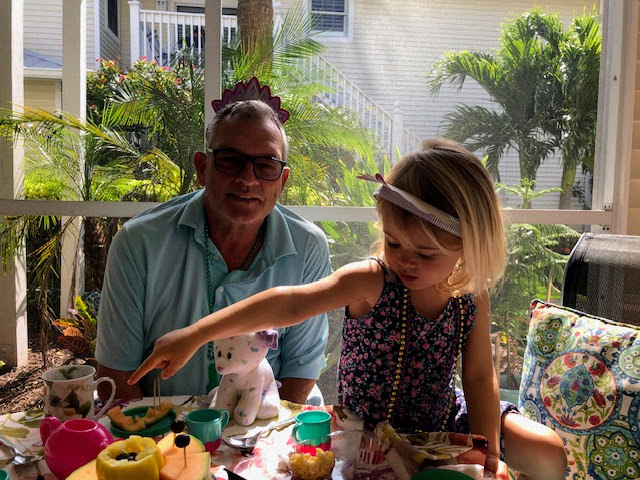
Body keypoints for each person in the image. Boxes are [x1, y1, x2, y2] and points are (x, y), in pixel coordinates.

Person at [129, 138, 567, 479]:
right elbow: (288, 303)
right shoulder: (372, 280)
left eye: (427, 253)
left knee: (550, 455)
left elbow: (477, 375)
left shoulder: (469, 297)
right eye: (394, 242)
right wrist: (196, 333)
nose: (406, 260)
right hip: (367, 435)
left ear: (467, 246)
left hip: (441, 425)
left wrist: (489, 448)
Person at [95, 95, 332, 405]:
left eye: (266, 165)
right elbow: (116, 371)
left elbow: (301, 367)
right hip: (164, 429)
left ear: (282, 181)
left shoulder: (308, 246)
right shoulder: (138, 242)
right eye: (230, 161)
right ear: (202, 168)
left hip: (262, 425)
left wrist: (262, 443)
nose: (248, 179)